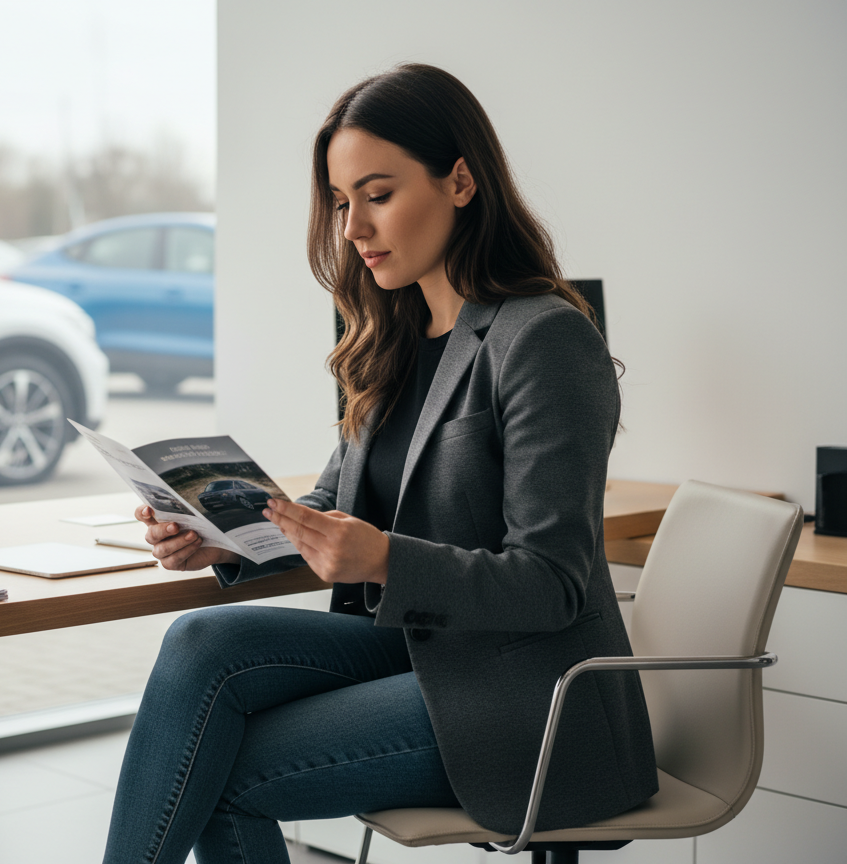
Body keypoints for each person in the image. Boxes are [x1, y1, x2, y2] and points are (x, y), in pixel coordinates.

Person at [102, 64, 658, 864]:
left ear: (460, 181)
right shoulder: (392, 337)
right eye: (339, 202)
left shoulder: (543, 339)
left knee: (215, 766)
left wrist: (385, 557)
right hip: (420, 653)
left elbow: (552, 581)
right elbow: (333, 504)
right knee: (198, 644)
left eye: (378, 193)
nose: (353, 227)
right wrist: (227, 538)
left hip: (527, 700)